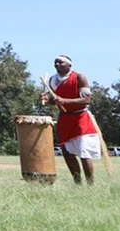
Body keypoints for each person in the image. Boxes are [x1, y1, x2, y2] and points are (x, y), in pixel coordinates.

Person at [41, 55, 100, 185]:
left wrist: (64, 100)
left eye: (60, 62)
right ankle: (77, 183)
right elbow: (54, 101)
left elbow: (87, 100)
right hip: (64, 119)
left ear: (69, 65)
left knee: (84, 152)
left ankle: (90, 184)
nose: (57, 64)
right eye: (55, 62)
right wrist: (47, 100)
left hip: (80, 118)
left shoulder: (79, 77)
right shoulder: (52, 80)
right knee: (67, 152)